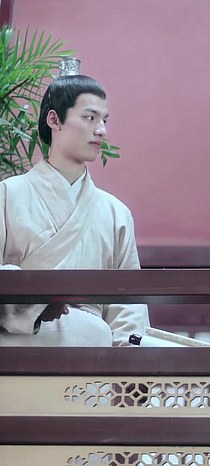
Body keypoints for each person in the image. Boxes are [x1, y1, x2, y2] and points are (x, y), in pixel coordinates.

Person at [0, 74, 149, 346]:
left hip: (94, 350)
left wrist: (128, 359)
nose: (101, 130)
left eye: (104, 121)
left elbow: (128, 308)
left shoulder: (115, 213)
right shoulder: (7, 195)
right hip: (16, 346)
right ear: (54, 120)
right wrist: (35, 304)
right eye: (90, 118)